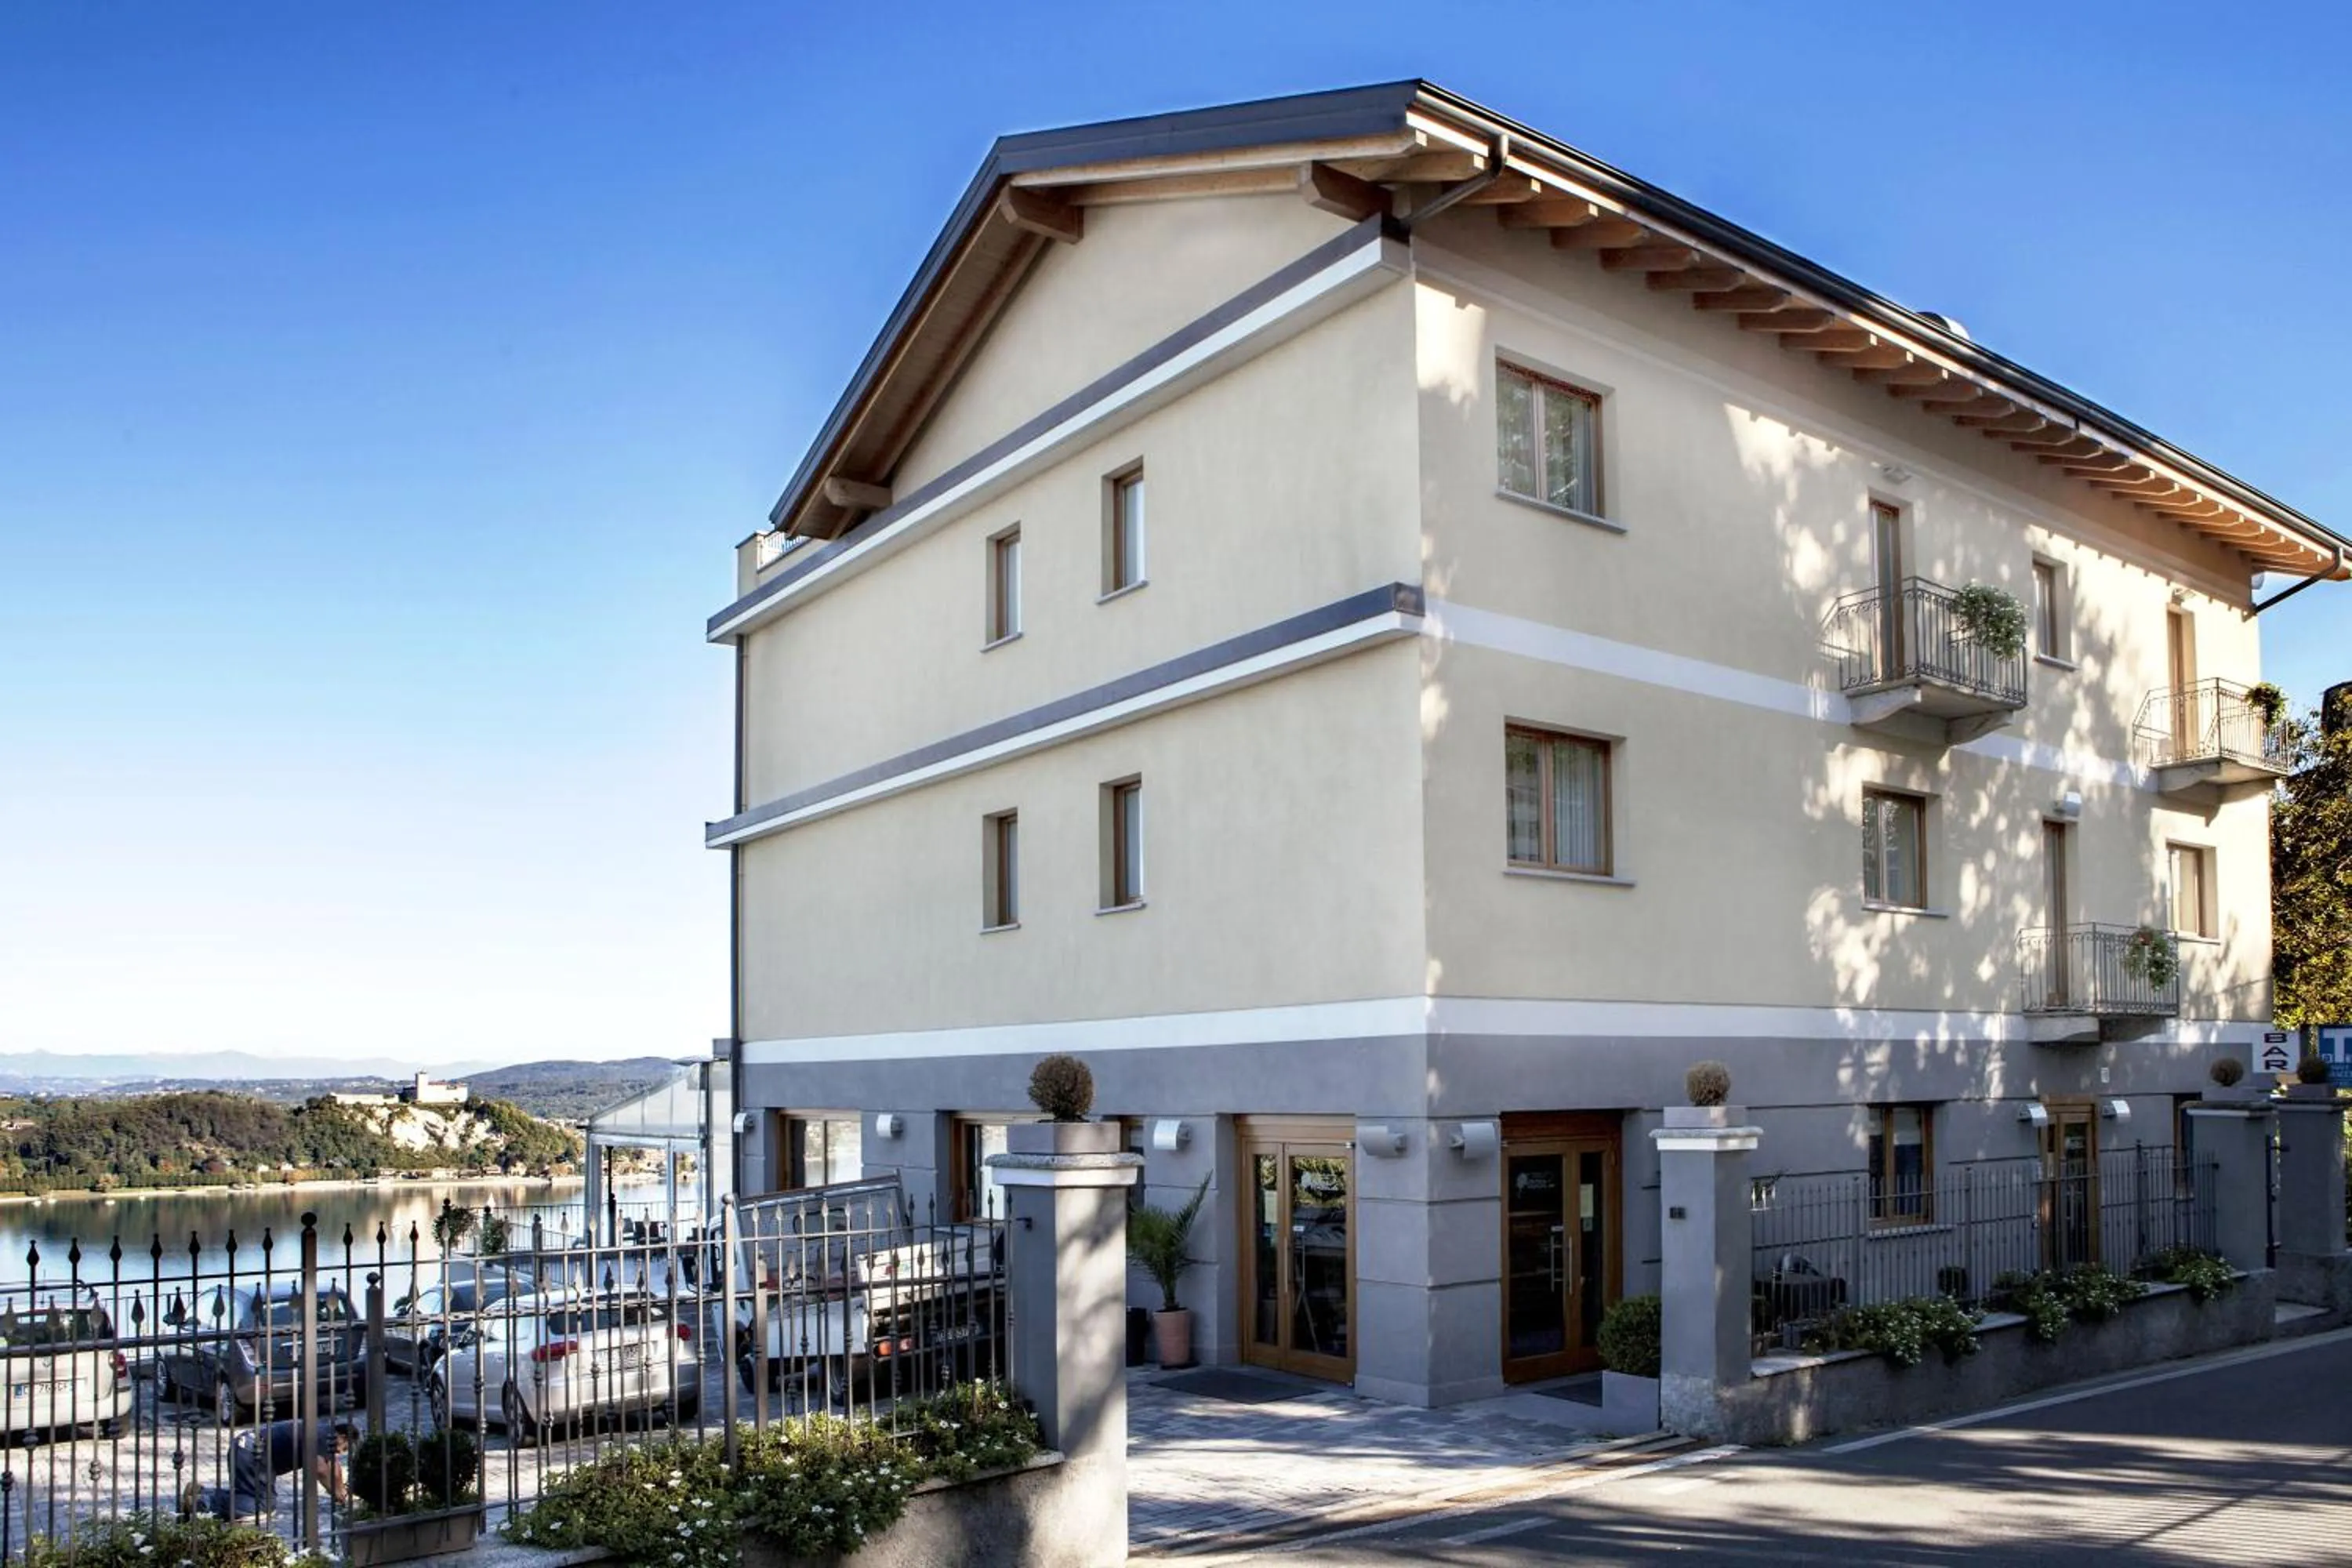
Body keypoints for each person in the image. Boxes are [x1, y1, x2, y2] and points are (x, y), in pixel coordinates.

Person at [185, 1418, 354, 1523]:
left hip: (244, 1447)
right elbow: (321, 1470)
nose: (341, 1452)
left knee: (249, 1496)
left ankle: (200, 1492)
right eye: (344, 1448)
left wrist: (341, 1494)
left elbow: (334, 1467)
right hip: (253, 1455)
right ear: (342, 1437)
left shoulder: (321, 1431)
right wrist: (339, 1494)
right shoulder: (324, 1437)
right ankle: (203, 1502)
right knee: (264, 1507)